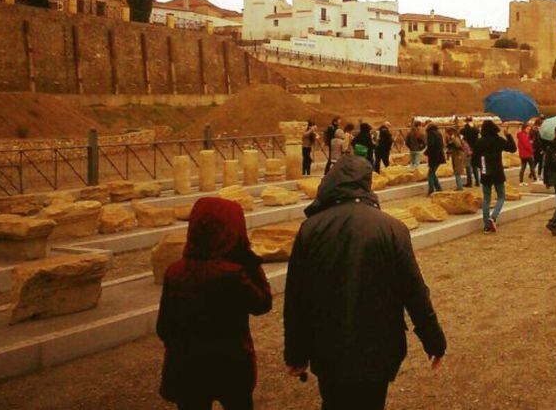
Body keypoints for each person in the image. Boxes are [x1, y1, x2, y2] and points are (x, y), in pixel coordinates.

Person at [283, 156, 446, 410]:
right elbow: (413, 290)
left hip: (327, 345)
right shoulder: (392, 228)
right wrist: (433, 339)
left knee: (333, 401)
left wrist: (295, 352)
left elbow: (296, 298)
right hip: (378, 346)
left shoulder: (310, 229)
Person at [158, 197, 273, 410]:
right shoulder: (232, 275)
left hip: (186, 367)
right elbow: (263, 304)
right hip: (230, 366)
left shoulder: (174, 272)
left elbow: (164, 327)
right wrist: (250, 259)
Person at [473, 120, 517, 232]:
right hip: (497, 171)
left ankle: (486, 225)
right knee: (501, 196)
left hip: (485, 171)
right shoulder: (498, 140)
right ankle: (493, 217)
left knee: (486, 199)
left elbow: (474, 160)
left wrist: (482, 167)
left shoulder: (480, 141)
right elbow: (512, 149)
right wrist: (508, 135)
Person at [424, 123, 445, 195]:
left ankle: (431, 189)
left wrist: (426, 152)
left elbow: (431, 145)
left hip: (434, 156)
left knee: (430, 174)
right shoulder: (439, 133)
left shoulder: (431, 134)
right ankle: (439, 188)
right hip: (439, 156)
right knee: (433, 173)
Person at [461, 117, 480, 187]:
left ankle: (469, 182)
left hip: (468, 149)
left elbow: (461, 137)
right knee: (475, 166)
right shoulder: (475, 129)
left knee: (468, 166)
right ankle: (477, 181)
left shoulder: (464, 129)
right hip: (475, 149)